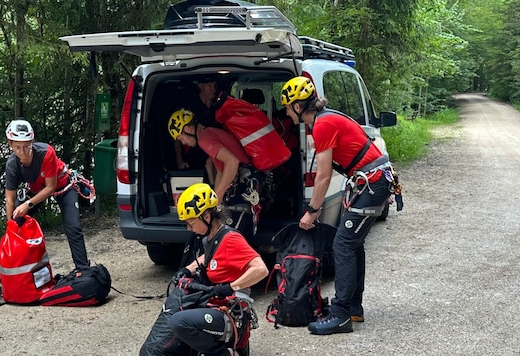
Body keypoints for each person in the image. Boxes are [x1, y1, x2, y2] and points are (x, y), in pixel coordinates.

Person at [280, 77, 394, 335]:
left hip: (372, 183)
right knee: (352, 245)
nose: (286, 113)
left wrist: (312, 211)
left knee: (342, 245)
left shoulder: (322, 125)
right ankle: (353, 306)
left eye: (288, 107)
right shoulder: (324, 121)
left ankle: (341, 315)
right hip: (370, 181)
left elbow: (323, 175)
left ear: (298, 107)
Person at [169, 182, 269, 355]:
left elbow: (261, 269)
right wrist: (187, 270)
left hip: (232, 311)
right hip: (215, 304)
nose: (188, 228)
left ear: (206, 216)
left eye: (190, 223)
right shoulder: (211, 238)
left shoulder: (231, 240)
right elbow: (210, 256)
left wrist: (231, 287)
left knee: (179, 322)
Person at [4, 119, 90, 268]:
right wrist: (11, 226)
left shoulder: (46, 153)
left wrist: (28, 204)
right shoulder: (12, 165)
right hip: (36, 189)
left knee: (73, 226)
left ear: (32, 141)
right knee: (17, 222)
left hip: (63, 185)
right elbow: (10, 200)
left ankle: (83, 269)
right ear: (10, 144)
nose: (22, 152)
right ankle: (21, 269)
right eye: (17, 147)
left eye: (26, 146)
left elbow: (51, 187)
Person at [168, 109, 250, 204]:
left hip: (245, 180)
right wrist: (214, 201)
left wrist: (219, 193)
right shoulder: (208, 133)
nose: (183, 143)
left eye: (181, 138)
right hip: (246, 177)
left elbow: (232, 161)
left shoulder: (204, 139)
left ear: (187, 129)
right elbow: (220, 171)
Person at [173, 76, 220, 183]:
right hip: (194, 149)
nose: (213, 89)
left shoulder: (218, 105)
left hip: (215, 144)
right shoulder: (189, 106)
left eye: (215, 86)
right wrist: (179, 161)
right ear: (201, 86)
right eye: (209, 86)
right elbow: (177, 135)